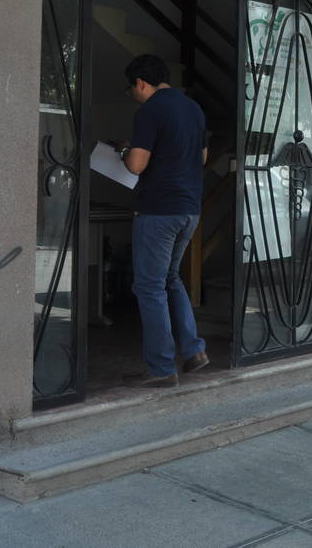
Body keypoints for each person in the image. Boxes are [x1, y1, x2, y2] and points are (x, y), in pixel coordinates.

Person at [118, 54, 208, 388]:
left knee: (149, 286)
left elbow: (136, 165)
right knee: (170, 278)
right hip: (189, 209)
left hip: (159, 211)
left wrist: (126, 152)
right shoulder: (193, 109)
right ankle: (194, 350)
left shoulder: (150, 111)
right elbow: (202, 157)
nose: (133, 95)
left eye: (131, 89)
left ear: (141, 83)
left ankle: (160, 367)